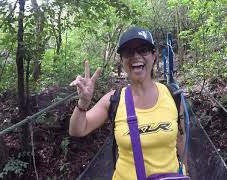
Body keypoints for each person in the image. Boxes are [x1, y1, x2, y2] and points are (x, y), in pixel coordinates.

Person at [69, 27, 187, 180]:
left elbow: (181, 138)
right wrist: (83, 102)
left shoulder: (172, 96)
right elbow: (77, 130)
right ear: (122, 61)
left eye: (143, 50)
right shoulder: (113, 100)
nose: (136, 56)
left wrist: (186, 171)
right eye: (128, 52)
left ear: (154, 57)